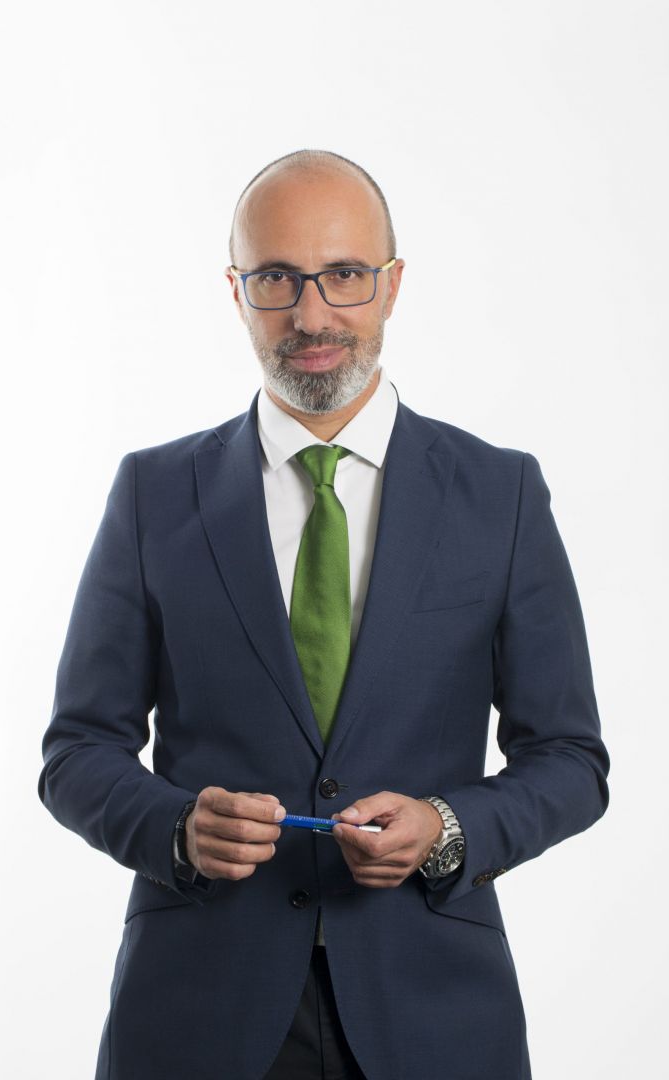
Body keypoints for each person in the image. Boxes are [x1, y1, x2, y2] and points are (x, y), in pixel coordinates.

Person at [38, 148, 610, 1080]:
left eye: (343, 275)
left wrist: (447, 827)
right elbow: (77, 750)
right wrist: (178, 828)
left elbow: (570, 761)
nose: (311, 316)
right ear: (236, 292)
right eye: (276, 279)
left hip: (432, 1011)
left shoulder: (498, 495)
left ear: (391, 285)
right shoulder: (153, 494)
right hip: (195, 1011)